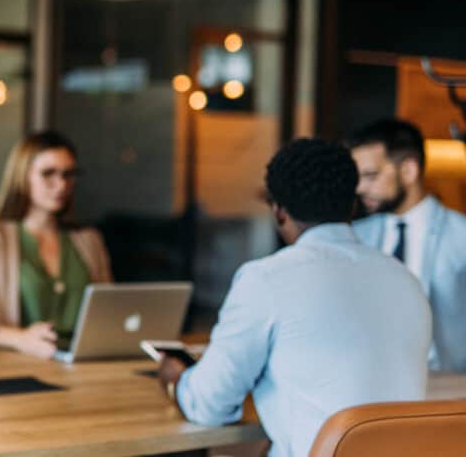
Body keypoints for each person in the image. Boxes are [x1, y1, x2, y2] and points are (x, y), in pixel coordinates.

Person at [157, 139, 430, 457]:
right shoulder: (406, 280)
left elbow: (209, 405)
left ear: (279, 211)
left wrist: (178, 381)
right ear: (352, 204)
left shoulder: (266, 280)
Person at [0, 131, 112, 360]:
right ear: (22, 177)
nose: (61, 185)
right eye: (49, 174)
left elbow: (109, 312)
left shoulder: (89, 240)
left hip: (85, 364)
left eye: (68, 174)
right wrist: (20, 339)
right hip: (17, 367)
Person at [348, 118, 466, 372]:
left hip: (449, 388)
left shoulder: (461, 235)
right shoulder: (354, 237)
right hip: (371, 383)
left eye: (371, 175)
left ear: (409, 171)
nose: (359, 188)